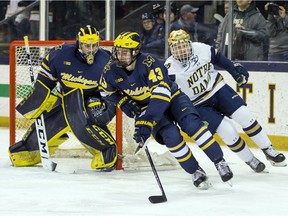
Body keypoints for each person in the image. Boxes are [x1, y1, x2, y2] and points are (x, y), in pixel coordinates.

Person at [100, 31, 233, 189]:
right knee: (171, 138)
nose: (119, 56)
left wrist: (147, 121)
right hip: (147, 108)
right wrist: (123, 102)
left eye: (124, 52)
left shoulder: (149, 63)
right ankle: (195, 171)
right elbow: (105, 92)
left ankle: (219, 161)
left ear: (135, 52)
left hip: (172, 99)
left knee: (193, 126)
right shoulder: (110, 70)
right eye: (117, 52)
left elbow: (161, 95)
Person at [165, 29, 286, 172]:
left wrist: (234, 71)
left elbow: (220, 59)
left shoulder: (202, 49)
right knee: (227, 131)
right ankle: (250, 160)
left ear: (189, 44)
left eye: (184, 45)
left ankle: (268, 149)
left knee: (245, 115)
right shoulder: (169, 69)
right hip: (198, 104)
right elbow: (168, 95)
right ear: (172, 50)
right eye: (177, 47)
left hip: (218, 89)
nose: (182, 49)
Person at [9, 25, 117, 171]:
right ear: (79, 43)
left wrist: (106, 109)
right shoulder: (60, 55)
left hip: (91, 104)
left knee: (91, 118)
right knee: (22, 154)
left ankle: (105, 149)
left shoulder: (107, 61)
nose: (91, 50)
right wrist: (36, 102)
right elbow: (44, 83)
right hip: (65, 101)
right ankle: (34, 147)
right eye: (87, 46)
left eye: (94, 45)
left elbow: (113, 93)